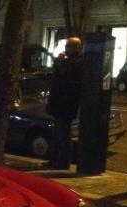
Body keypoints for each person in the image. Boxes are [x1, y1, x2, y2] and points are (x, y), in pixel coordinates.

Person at [46, 37, 83, 169]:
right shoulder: (70, 62)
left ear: (76, 48)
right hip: (61, 104)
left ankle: (62, 161)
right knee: (58, 134)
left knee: (63, 134)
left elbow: (67, 78)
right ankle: (56, 159)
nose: (66, 49)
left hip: (65, 104)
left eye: (68, 46)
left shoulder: (77, 62)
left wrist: (60, 63)